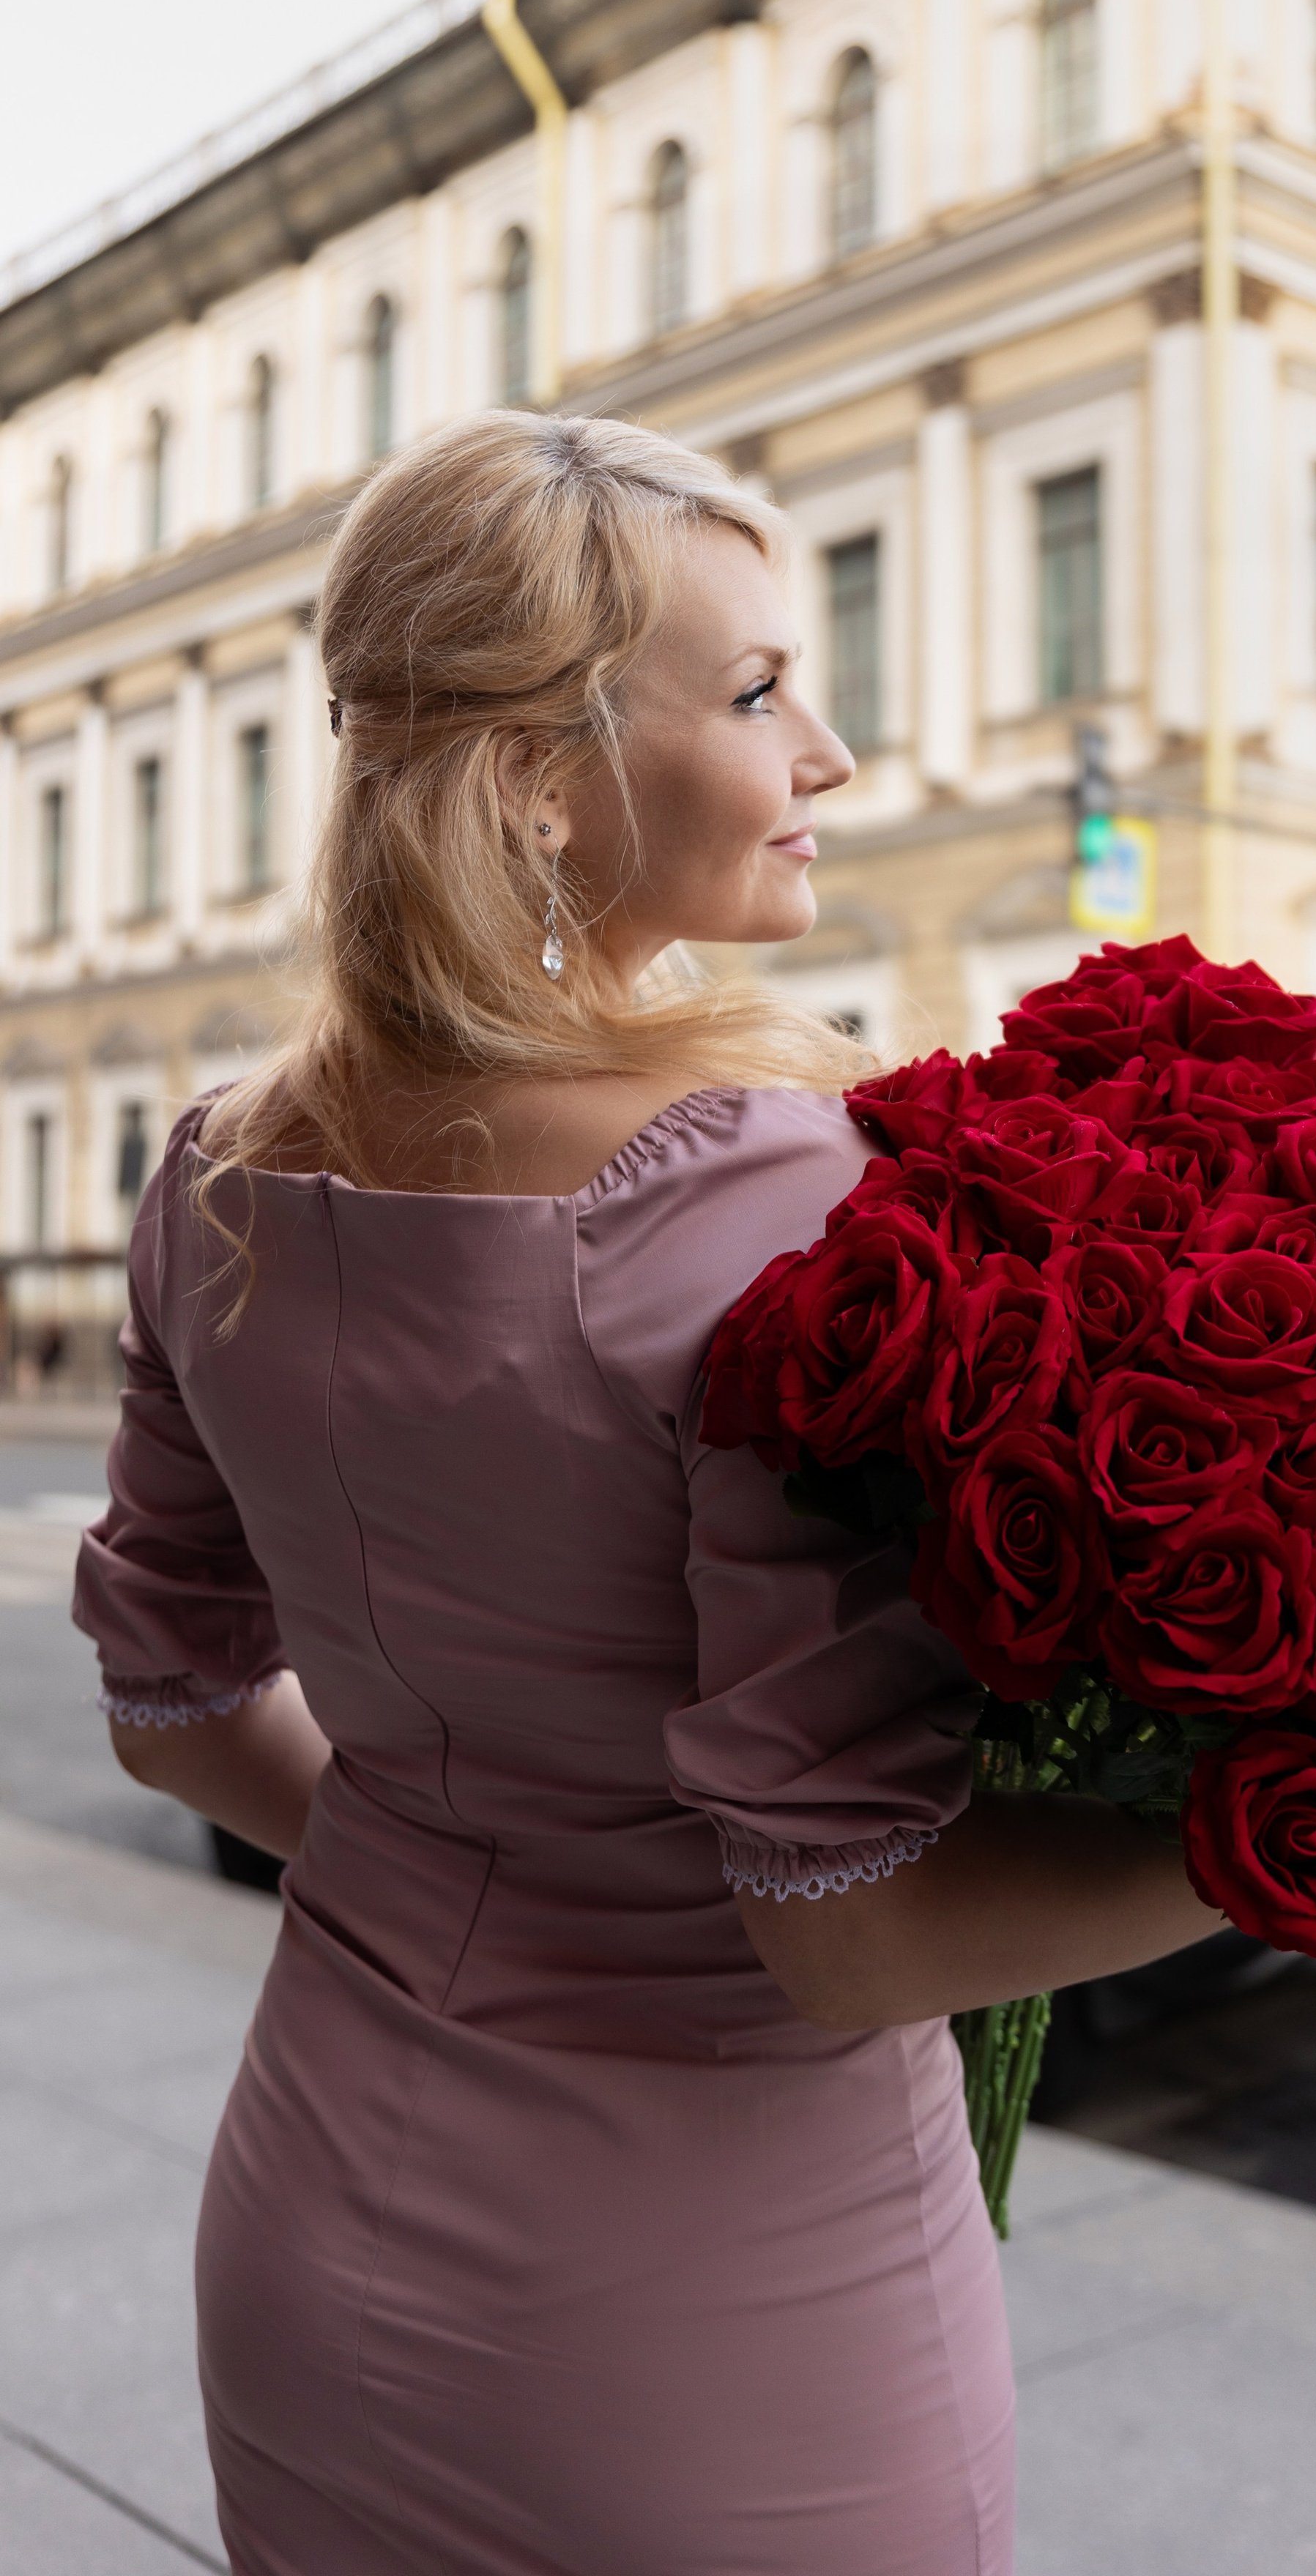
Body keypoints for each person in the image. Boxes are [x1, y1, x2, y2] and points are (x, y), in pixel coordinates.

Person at [73, 412, 1226, 2576]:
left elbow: (172, 1702)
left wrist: (463, 1869)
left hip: (315, 2227)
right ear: (533, 776)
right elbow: (857, 1932)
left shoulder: (215, 1173)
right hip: (718, 2332)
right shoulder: (762, 1202)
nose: (836, 757)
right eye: (762, 692)